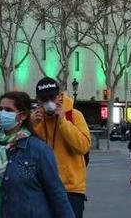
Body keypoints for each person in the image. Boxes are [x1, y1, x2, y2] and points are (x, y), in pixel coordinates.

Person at [0, 91, 74, 218]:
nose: (3, 113)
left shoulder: (38, 150)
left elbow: (56, 193)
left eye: (8, 110)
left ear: (22, 116)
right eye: (1, 109)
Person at [31, 77, 91, 218]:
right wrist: (30, 125)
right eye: (44, 99)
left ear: (59, 96)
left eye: (52, 98)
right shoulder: (36, 120)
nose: (49, 103)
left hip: (71, 190)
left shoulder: (74, 115)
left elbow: (83, 146)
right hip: (43, 189)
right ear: (38, 101)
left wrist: (63, 122)